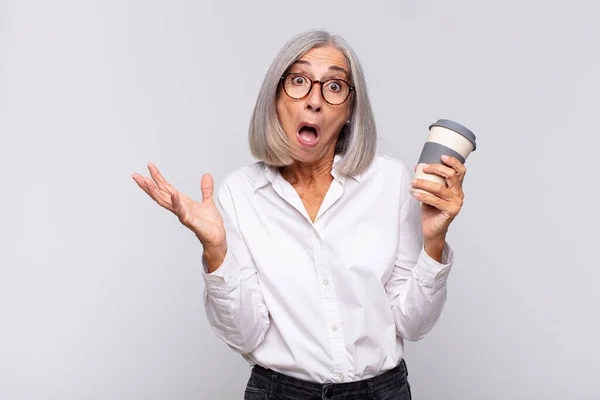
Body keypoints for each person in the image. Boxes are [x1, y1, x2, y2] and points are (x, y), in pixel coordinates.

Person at [132, 29, 467, 400]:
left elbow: (413, 324)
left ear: (350, 110)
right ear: (274, 98)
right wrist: (215, 251)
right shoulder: (240, 194)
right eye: (298, 81)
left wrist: (434, 241)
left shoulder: (389, 181)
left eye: (335, 86)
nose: (314, 101)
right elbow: (244, 334)